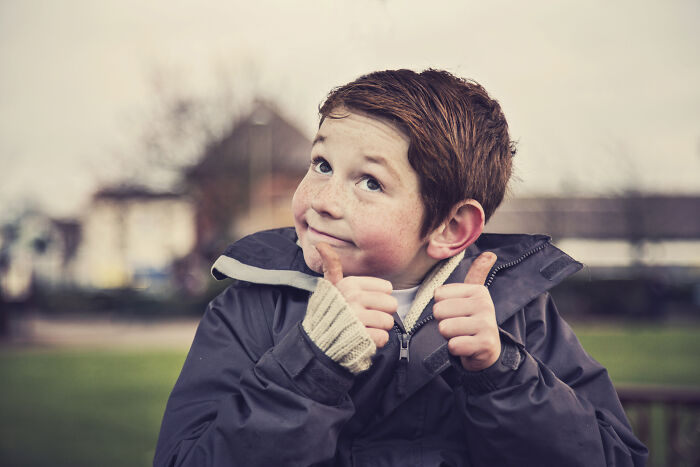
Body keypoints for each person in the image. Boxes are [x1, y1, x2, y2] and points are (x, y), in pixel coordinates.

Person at [154, 69, 648, 466]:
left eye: (369, 181)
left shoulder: (515, 313)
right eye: (322, 163)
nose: (322, 200)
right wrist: (311, 365)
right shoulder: (253, 305)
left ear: (451, 228)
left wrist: (501, 374)